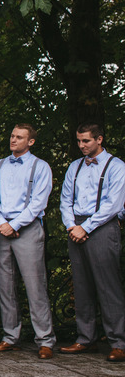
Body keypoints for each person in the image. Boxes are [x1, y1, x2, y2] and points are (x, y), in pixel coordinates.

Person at [0, 124, 56, 359]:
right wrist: (1, 223)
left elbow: (39, 202)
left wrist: (15, 225)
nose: (13, 140)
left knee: (35, 285)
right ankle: (10, 336)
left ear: (31, 142)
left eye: (19, 137)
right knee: (6, 285)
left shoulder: (40, 167)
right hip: (2, 228)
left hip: (27, 229)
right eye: (12, 136)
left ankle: (45, 339)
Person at [59, 123, 125, 362]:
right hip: (75, 226)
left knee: (109, 286)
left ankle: (118, 342)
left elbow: (113, 205)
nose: (81, 146)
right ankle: (85, 338)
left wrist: (84, 228)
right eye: (78, 141)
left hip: (102, 227)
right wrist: (71, 225)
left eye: (86, 141)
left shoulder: (117, 167)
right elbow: (65, 199)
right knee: (82, 284)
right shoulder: (74, 167)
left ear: (99, 139)